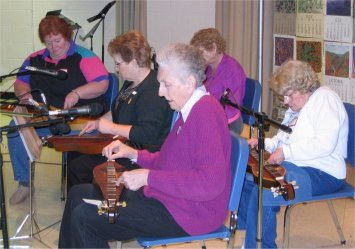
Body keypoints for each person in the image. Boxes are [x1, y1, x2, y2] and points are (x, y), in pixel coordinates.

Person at [58, 43, 232, 248]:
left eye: (166, 84)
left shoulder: (205, 113)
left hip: (189, 213)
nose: (160, 92)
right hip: (170, 198)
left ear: (190, 82)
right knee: (78, 194)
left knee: (86, 218)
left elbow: (209, 183)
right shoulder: (189, 109)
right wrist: (135, 155)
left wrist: (148, 176)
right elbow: (169, 160)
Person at [238, 60, 349, 248]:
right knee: (249, 177)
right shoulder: (300, 105)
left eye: (289, 96)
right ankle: (251, 236)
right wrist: (267, 144)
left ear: (303, 87)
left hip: (324, 173)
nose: (287, 102)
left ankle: (259, 246)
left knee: (268, 185)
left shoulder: (326, 100)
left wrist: (286, 152)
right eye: (284, 98)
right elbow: (285, 136)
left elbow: (325, 145)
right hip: (299, 165)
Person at [7, 15, 109, 205]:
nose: (54, 47)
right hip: (46, 116)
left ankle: (79, 189)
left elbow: (102, 84)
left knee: (84, 145)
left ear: (67, 36)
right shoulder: (34, 59)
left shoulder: (84, 56)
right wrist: (25, 95)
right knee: (15, 129)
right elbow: (20, 82)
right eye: (48, 43)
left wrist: (77, 93)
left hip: (79, 119)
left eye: (58, 40)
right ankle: (25, 184)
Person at [66, 30, 173, 192]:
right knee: (75, 154)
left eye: (118, 63)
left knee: (79, 168)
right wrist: (98, 122)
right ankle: (84, 205)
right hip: (124, 145)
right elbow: (117, 110)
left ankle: (86, 208)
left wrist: (109, 127)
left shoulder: (153, 90)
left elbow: (147, 134)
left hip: (140, 155)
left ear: (135, 62)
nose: (116, 69)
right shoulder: (131, 82)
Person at [190, 28, 246, 134]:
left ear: (214, 48)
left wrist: (206, 120)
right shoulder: (208, 67)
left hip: (228, 122)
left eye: (201, 52)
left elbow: (231, 109)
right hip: (209, 115)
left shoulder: (232, 71)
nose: (198, 56)